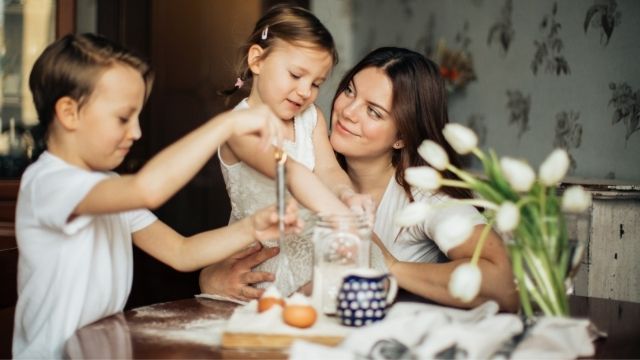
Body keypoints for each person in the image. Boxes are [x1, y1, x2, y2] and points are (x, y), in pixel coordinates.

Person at [13, 33, 302, 359]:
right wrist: (227, 124)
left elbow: (181, 252)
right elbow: (147, 189)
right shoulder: (49, 184)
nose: (136, 132)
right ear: (69, 113)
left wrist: (251, 228)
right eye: (123, 118)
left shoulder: (107, 186)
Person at [202, 47, 519, 312]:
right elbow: (239, 251)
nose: (347, 112)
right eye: (349, 91)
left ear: (402, 137)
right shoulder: (302, 165)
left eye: (374, 112)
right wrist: (212, 277)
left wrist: (387, 265)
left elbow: (503, 286)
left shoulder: (423, 197)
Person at [218, 5, 371, 296]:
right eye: (295, 75)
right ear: (257, 60)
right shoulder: (238, 127)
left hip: (311, 254)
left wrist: (346, 194)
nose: (305, 92)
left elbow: (328, 170)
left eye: (315, 84)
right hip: (261, 263)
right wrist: (339, 214)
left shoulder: (310, 117)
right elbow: (288, 171)